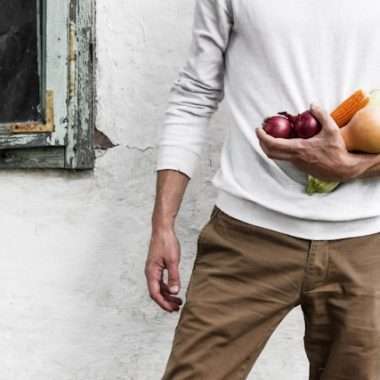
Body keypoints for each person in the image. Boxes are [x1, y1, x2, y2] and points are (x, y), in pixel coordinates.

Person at [145, 1, 380, 378]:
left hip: (367, 244)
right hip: (246, 236)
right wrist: (162, 224)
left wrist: (354, 167)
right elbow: (193, 96)